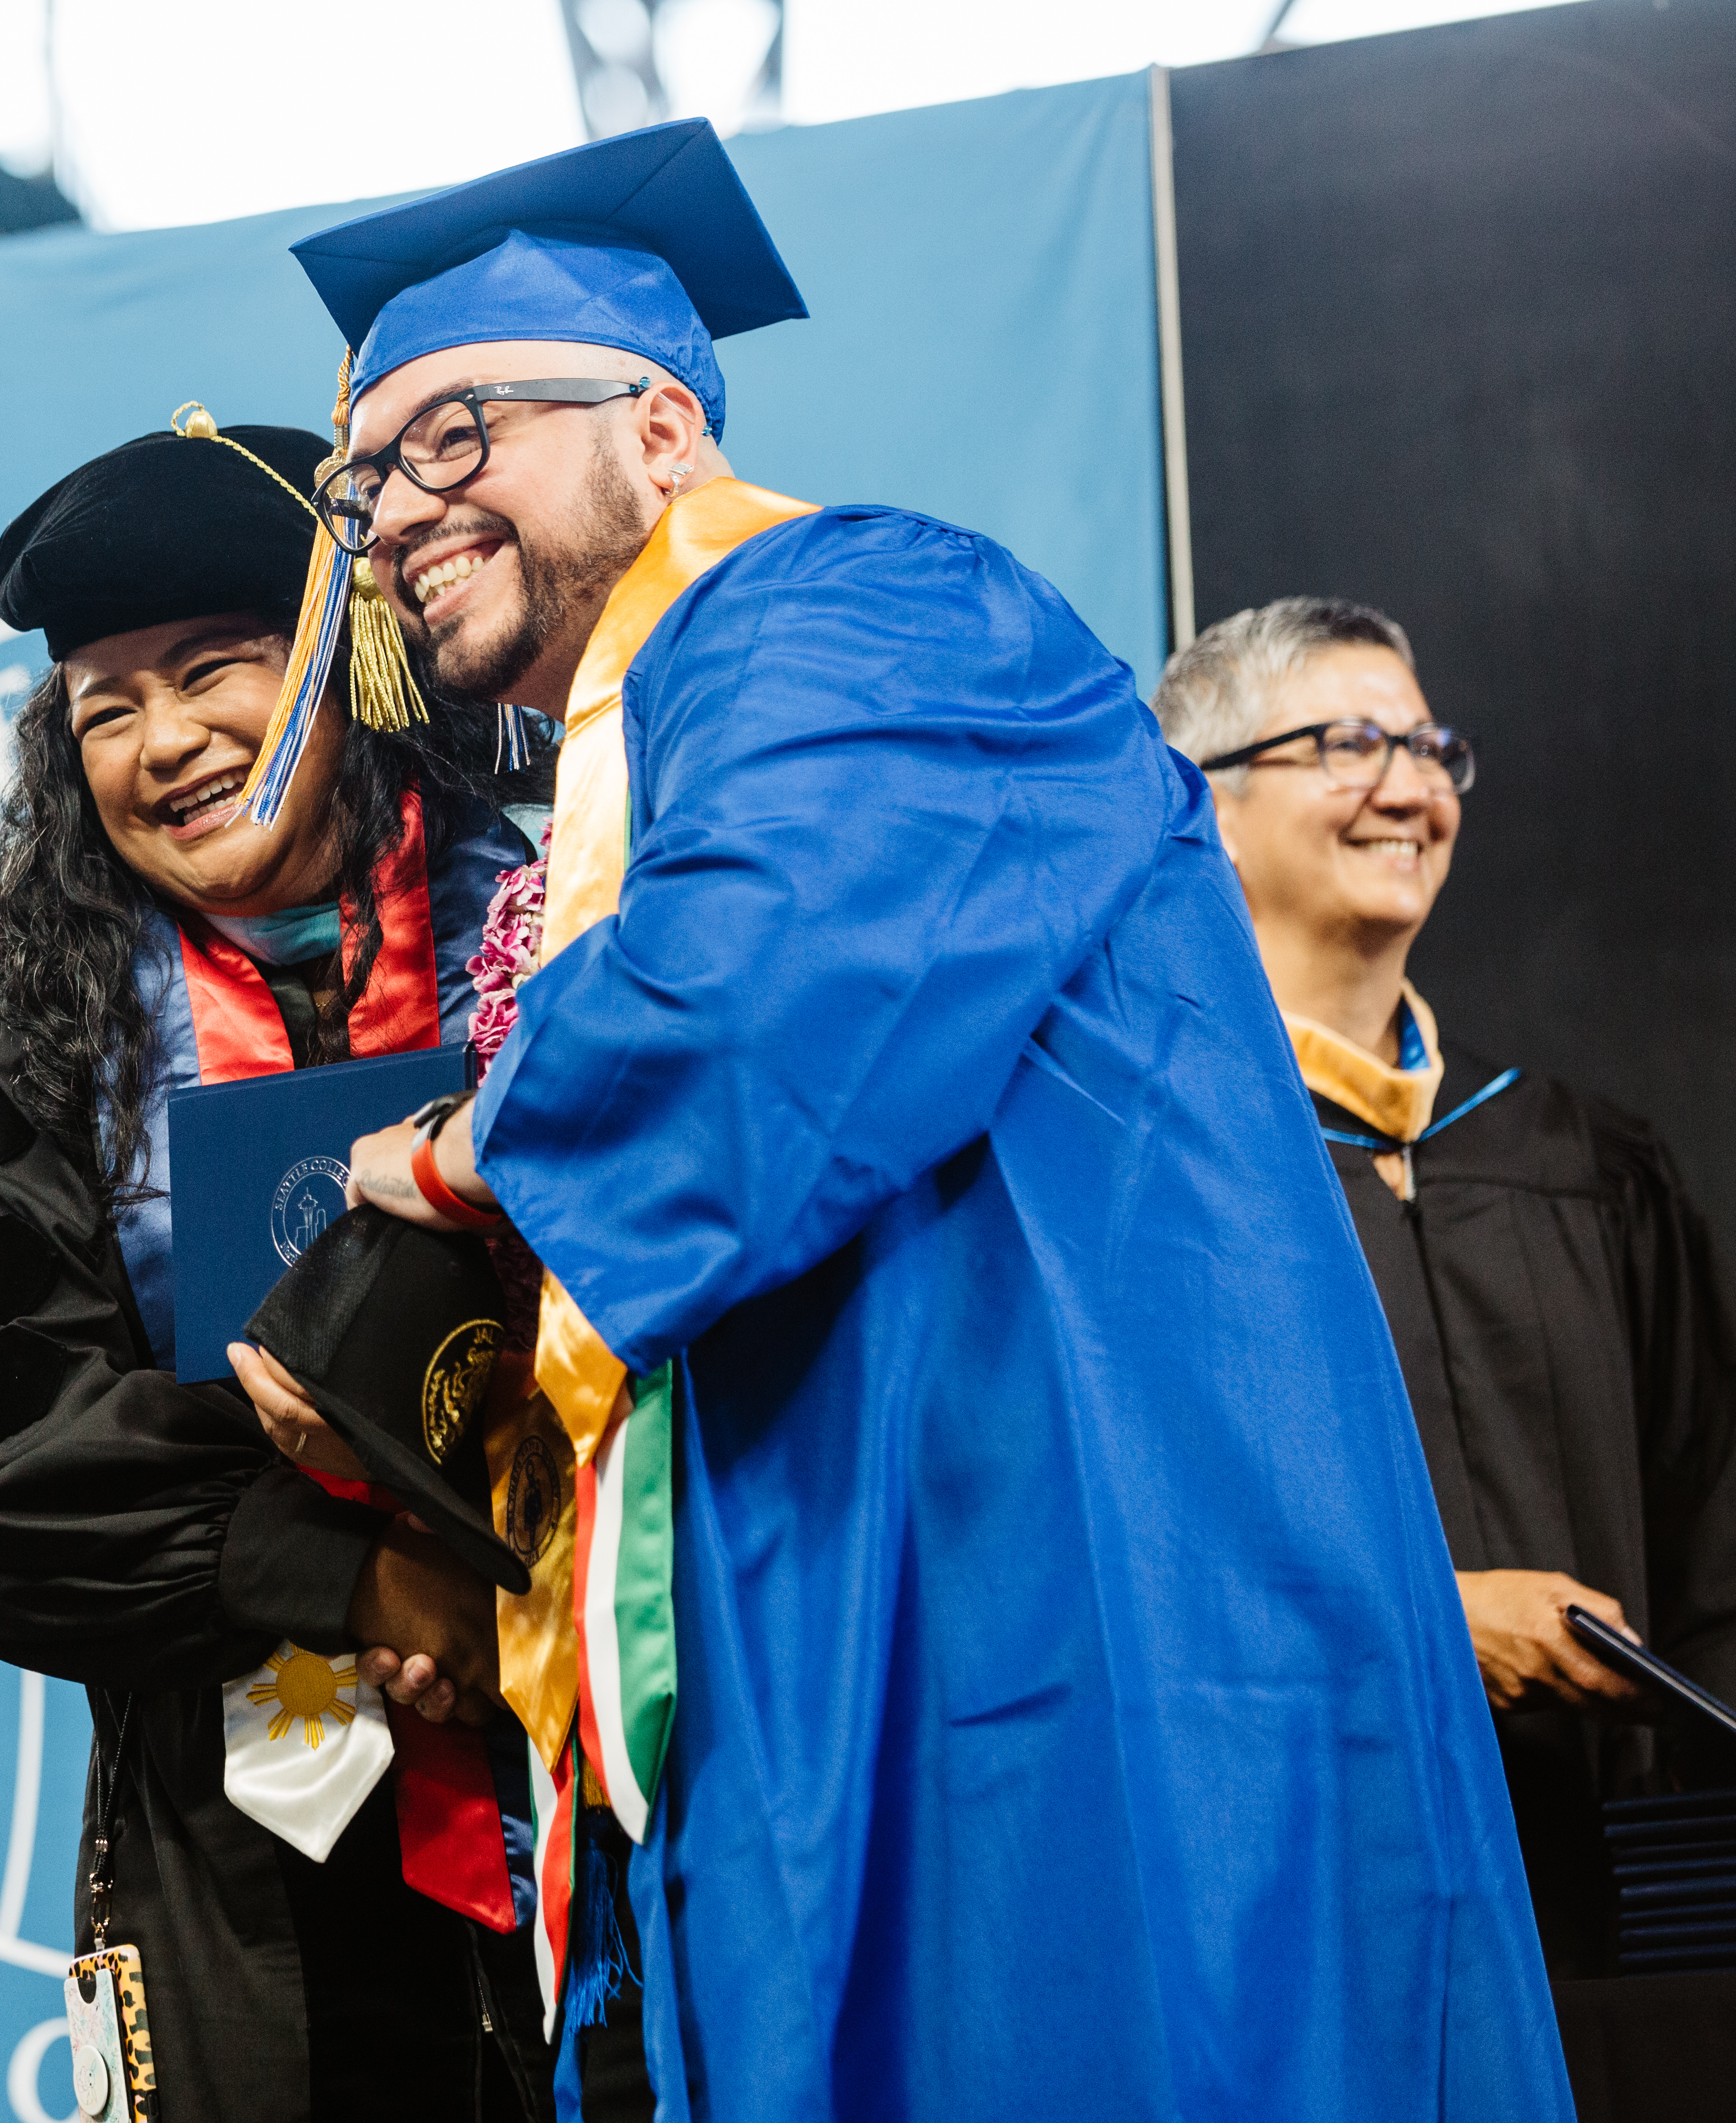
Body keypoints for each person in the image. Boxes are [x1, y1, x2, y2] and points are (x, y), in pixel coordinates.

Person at [242, 119, 1568, 2119]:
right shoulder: (670, 737)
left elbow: (756, 1020)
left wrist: (419, 1162)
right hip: (842, 1622)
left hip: (1054, 1609)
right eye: (366, 477)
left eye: (460, 435)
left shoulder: (861, 606)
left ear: (664, 427)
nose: (399, 511)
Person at [0, 411, 568, 2123]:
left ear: (349, 666)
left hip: (608, 1757)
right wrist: (349, 1578)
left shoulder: (566, 942)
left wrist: (527, 1587)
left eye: (217, 668)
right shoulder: (38, 1054)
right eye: (105, 709)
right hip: (249, 1856)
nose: (165, 742)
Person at [1155, 595, 1736, 1975]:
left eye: (1432, 749)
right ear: (1209, 807)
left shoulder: (1580, 1159)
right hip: (1286, 1896)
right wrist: (1433, 1621)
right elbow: (1149, 1548)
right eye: (1349, 744)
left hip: (1607, 1909)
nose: (1410, 787)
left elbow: (1711, 1527)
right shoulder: (1161, 1168)